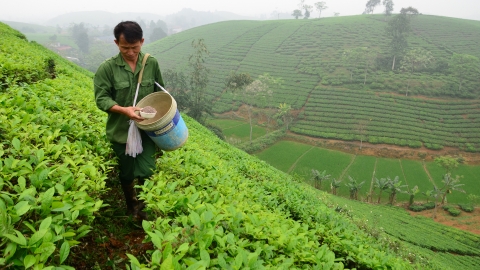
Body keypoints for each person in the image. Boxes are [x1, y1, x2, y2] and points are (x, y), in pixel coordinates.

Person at [94, 21, 164, 220]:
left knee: (147, 171)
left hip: (147, 130)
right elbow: (102, 99)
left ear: (142, 41)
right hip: (121, 131)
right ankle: (130, 204)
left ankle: (142, 210)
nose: (131, 52)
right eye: (125, 48)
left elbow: (160, 93)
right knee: (126, 172)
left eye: (135, 47)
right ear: (116, 43)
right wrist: (124, 110)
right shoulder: (107, 68)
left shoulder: (152, 64)